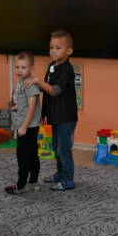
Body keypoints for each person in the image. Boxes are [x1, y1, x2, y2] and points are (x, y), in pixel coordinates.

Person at [27, 30, 78, 191]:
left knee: (63, 149)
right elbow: (47, 90)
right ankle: (60, 174)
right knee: (56, 148)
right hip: (54, 115)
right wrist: (32, 87)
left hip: (66, 117)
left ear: (69, 51)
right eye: (51, 47)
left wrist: (38, 81)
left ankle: (68, 179)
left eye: (58, 48)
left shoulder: (67, 69)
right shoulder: (51, 66)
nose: (53, 51)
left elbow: (55, 91)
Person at [4, 51, 41, 196]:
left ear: (31, 68)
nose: (19, 70)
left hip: (28, 126)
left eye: (23, 67)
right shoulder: (20, 83)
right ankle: (33, 182)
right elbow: (22, 103)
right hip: (23, 125)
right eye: (17, 67)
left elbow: (32, 107)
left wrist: (24, 126)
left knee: (23, 155)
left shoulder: (29, 84)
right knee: (31, 153)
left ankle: (21, 185)